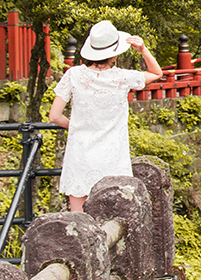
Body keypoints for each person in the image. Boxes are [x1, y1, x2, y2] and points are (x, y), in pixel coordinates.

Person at [48, 20, 162, 212]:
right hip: (112, 156)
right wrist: (143, 49)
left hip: (80, 153)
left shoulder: (73, 75)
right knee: (112, 218)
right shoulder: (122, 77)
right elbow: (156, 72)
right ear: (114, 54)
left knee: (79, 220)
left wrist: (77, 126)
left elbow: (54, 116)